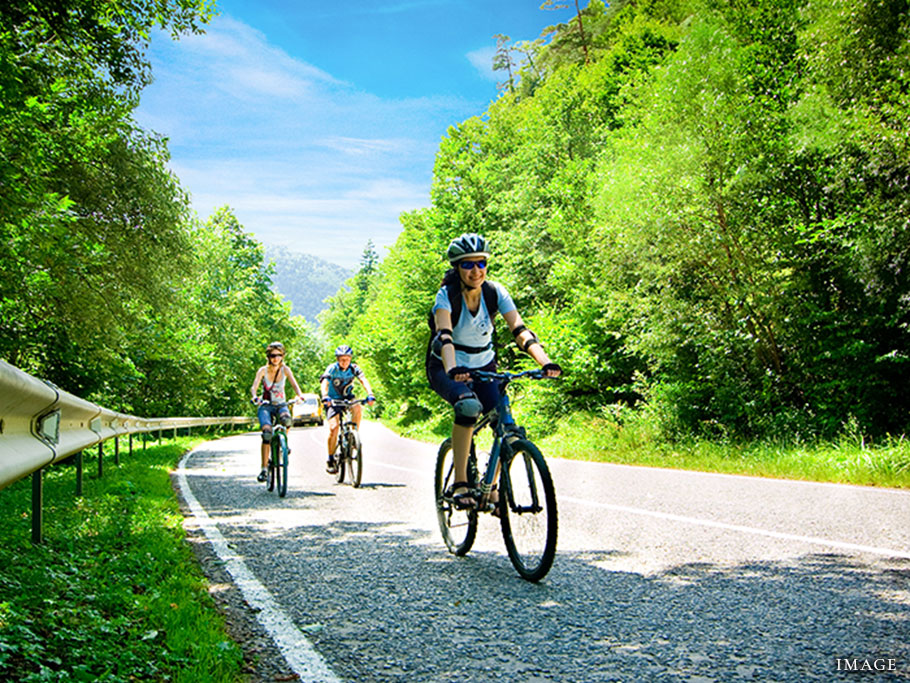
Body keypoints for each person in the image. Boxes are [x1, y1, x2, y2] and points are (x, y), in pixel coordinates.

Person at [427, 233, 561, 509]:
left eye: (481, 263)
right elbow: (445, 337)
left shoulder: (495, 292)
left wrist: (545, 362)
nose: (476, 270)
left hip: (484, 365)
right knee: (467, 407)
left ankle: (491, 486)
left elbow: (520, 330)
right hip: (446, 365)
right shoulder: (446, 296)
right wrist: (453, 370)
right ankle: (461, 482)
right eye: (468, 264)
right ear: (457, 268)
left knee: (503, 419)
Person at [250, 341, 305, 482]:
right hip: (266, 406)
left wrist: (300, 395)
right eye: (273, 355)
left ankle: (284, 443)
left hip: (281, 404)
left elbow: (294, 384)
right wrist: (255, 397)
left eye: (279, 355)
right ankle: (264, 469)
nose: (276, 358)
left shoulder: (285, 370)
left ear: (283, 356)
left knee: (287, 420)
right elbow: (254, 387)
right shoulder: (262, 370)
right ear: (268, 357)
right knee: (267, 433)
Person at [320, 345, 375, 473]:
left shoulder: (354, 368)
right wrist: (325, 396)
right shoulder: (332, 368)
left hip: (348, 396)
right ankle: (330, 459)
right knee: (334, 428)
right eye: (342, 359)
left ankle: (353, 435)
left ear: (350, 359)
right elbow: (324, 382)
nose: (345, 362)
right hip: (332, 399)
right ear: (337, 359)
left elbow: (363, 380)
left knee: (357, 407)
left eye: (347, 359)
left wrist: (370, 394)